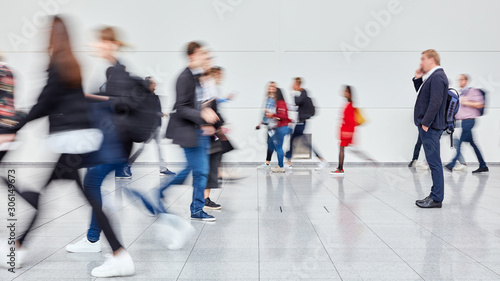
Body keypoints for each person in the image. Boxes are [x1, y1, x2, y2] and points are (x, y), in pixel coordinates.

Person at [2, 17, 135, 277]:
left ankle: (120, 254)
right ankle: (18, 247)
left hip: (71, 140)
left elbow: (44, 103)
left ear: (55, 34)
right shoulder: (71, 62)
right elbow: (54, 102)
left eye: (48, 29)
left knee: (83, 197)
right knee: (49, 191)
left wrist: (12, 128)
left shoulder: (58, 64)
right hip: (78, 139)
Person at [413, 49, 448, 209]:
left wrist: (425, 123)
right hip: (429, 126)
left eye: (423, 59)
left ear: (432, 60)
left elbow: (435, 102)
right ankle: (435, 194)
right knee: (433, 161)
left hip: (431, 127)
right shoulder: (433, 77)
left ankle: (436, 198)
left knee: (434, 163)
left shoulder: (438, 76)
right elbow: (424, 97)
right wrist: (418, 79)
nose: (421, 63)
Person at [126, 76, 176, 176]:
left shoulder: (155, 97)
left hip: (156, 126)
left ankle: (163, 168)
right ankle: (128, 164)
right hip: (149, 127)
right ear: (148, 85)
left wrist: (160, 118)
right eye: (153, 83)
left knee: (158, 147)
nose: (155, 84)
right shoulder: (145, 98)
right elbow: (150, 112)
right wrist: (161, 114)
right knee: (142, 148)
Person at [445, 74, 488, 174]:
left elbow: (481, 104)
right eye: (458, 79)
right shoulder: (461, 93)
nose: (459, 81)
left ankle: (452, 163)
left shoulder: (473, 91)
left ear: (466, 80)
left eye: (461, 79)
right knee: (473, 144)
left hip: (469, 121)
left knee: (460, 143)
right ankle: (483, 165)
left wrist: (467, 102)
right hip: (463, 121)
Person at [285, 77, 327, 170]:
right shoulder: (303, 94)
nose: (292, 86)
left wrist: (293, 94)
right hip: (301, 122)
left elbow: (297, 102)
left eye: (293, 84)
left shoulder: (303, 93)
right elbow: (299, 106)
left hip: (301, 122)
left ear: (297, 85)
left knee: (296, 140)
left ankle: (288, 159)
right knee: (300, 141)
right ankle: (288, 159)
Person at [331, 85, 356, 176]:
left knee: (341, 149)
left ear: (349, 93)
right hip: (345, 131)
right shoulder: (349, 104)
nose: (344, 92)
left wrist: (347, 132)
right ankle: (340, 167)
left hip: (346, 132)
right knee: (341, 149)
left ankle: (340, 169)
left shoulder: (350, 105)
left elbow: (351, 121)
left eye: (346, 91)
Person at [265, 88, 291, 173]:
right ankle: (281, 164)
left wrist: (272, 115)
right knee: (275, 146)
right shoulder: (281, 103)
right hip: (281, 127)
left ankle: (281, 166)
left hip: (282, 127)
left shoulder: (281, 103)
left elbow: (282, 116)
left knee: (279, 147)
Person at [256, 82, 278, 169]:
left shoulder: (276, 100)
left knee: (275, 145)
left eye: (272, 87)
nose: (270, 88)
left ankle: (287, 161)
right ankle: (267, 163)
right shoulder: (268, 99)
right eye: (269, 87)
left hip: (274, 125)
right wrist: (260, 123)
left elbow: (276, 112)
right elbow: (264, 113)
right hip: (268, 125)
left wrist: (268, 110)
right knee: (270, 144)